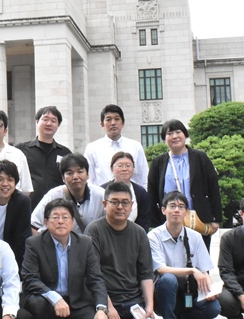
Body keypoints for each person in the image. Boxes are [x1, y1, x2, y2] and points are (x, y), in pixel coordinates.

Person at [21, 198, 109, 319]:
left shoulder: (84, 243)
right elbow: (30, 278)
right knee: (36, 302)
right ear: (46, 222)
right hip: (46, 302)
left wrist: (102, 309)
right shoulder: (34, 243)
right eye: (55, 217)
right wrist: (54, 297)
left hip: (75, 302)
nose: (60, 221)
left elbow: (96, 279)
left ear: (73, 221)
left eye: (65, 217)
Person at [86, 181, 161, 319]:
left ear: (131, 205)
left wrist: (149, 306)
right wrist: (108, 308)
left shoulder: (139, 233)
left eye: (125, 202)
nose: (120, 207)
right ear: (105, 204)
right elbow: (93, 276)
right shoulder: (94, 231)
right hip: (107, 300)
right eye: (115, 202)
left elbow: (146, 274)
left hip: (133, 303)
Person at [148, 191, 222, 319]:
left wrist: (209, 289)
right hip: (163, 293)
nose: (176, 210)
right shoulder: (153, 236)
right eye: (172, 206)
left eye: (181, 207)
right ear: (163, 210)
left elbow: (204, 269)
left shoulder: (195, 236)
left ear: (186, 212)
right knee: (168, 279)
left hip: (189, 291)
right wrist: (191, 270)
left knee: (213, 308)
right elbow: (160, 269)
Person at [148, 119, 223, 249]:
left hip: (198, 220)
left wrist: (216, 219)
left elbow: (213, 188)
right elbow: (152, 193)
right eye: (170, 133)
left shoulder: (200, 158)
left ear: (185, 135)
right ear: (164, 139)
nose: (175, 136)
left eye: (178, 132)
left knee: (199, 261)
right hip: (169, 221)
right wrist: (154, 222)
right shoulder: (158, 162)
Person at [30, 153, 105, 234]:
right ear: (63, 178)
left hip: (92, 245)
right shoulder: (53, 195)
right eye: (69, 173)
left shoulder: (100, 195)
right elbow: (33, 225)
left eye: (80, 172)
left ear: (88, 175)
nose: (75, 177)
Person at [83, 104, 148, 188]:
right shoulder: (92, 148)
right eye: (108, 119)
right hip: (102, 196)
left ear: (123, 123)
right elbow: (89, 179)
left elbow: (143, 176)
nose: (113, 123)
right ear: (102, 124)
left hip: (131, 197)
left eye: (117, 119)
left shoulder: (135, 146)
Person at [18, 106, 73, 205]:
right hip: (28, 206)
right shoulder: (22, 150)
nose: (49, 123)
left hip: (57, 206)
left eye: (53, 120)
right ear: (37, 121)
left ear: (58, 125)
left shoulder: (65, 153)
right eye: (45, 119)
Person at [103, 151, 153, 231]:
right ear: (112, 169)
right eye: (120, 166)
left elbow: (144, 220)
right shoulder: (102, 190)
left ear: (133, 169)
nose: (124, 169)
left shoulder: (140, 192)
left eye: (128, 166)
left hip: (133, 236)